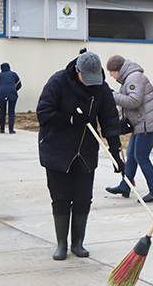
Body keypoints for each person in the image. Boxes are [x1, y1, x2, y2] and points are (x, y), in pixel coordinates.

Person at [36, 48, 125, 261]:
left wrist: (115, 152)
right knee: (61, 197)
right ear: (77, 70)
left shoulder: (101, 88)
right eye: (87, 79)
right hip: (57, 149)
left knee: (83, 198)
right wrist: (71, 119)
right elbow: (44, 113)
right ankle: (61, 244)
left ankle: (78, 243)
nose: (90, 84)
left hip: (85, 150)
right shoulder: (58, 81)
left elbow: (109, 120)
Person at [104, 55, 153, 203]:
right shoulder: (129, 78)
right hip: (142, 123)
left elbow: (134, 101)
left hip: (148, 123)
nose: (111, 75)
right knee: (131, 155)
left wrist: (112, 95)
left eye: (112, 72)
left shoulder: (134, 77)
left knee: (141, 157)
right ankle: (125, 185)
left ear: (118, 69)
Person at [0, 62, 22, 134]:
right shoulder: (14, 74)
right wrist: (14, 89)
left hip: (2, 93)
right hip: (12, 93)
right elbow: (19, 84)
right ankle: (11, 129)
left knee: (2, 111)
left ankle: (2, 129)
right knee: (11, 111)